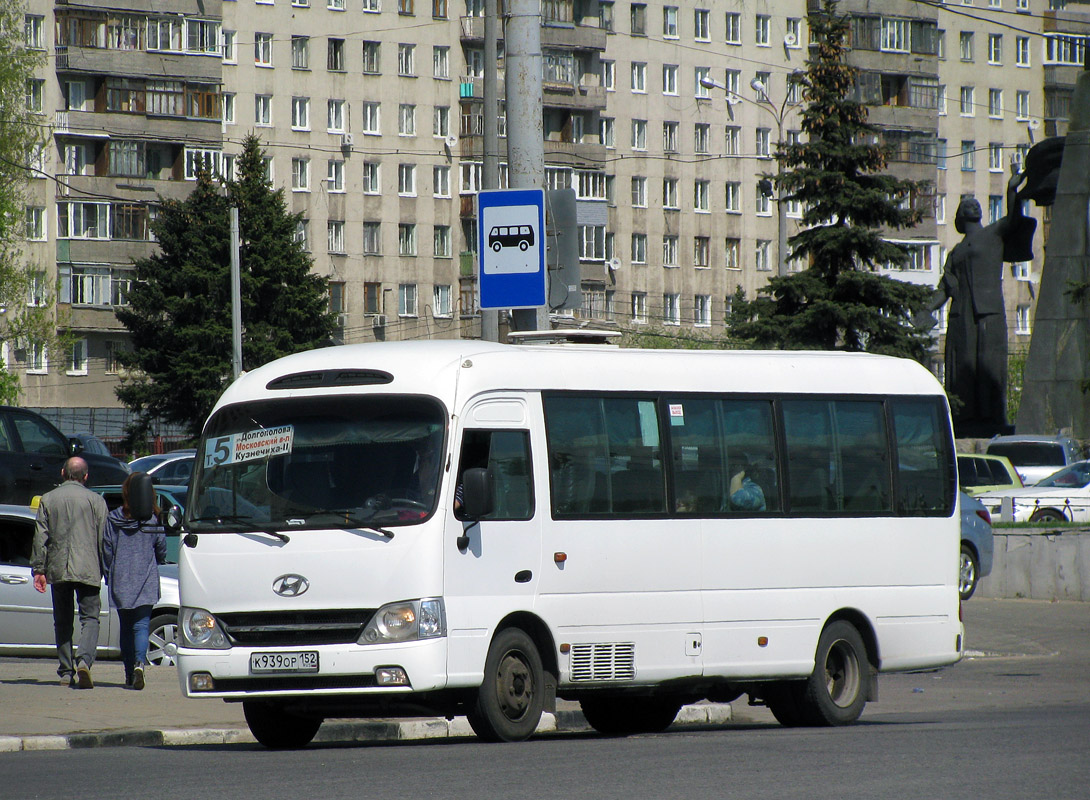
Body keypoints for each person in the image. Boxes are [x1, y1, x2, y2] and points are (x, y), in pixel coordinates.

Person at [31, 457, 109, 689]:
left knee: (62, 621)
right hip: (88, 566)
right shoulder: (96, 501)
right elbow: (104, 538)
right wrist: (105, 568)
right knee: (91, 618)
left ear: (63, 472)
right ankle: (84, 659)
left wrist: (39, 569)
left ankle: (66, 672)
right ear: (86, 476)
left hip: (58, 566)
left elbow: (40, 537)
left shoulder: (48, 499)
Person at [102, 472, 167, 690]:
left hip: (121, 578)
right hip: (146, 578)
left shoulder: (114, 518)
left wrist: (109, 573)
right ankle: (140, 664)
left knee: (126, 627)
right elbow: (161, 549)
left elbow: (107, 549)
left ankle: (129, 673)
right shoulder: (153, 519)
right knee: (141, 626)